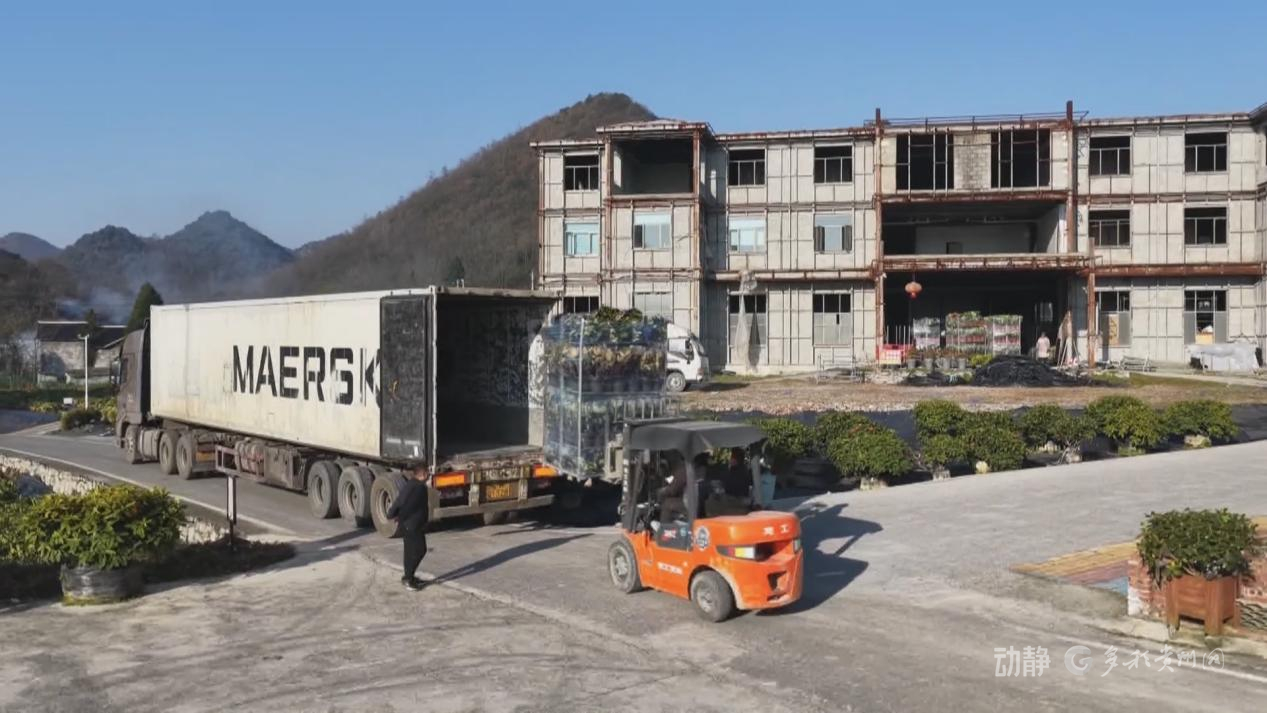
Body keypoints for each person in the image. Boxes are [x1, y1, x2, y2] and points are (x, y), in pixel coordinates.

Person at [387, 466, 431, 591]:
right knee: (420, 550)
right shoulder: (419, 487)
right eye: (427, 473)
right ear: (423, 474)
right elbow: (408, 505)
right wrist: (398, 516)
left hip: (408, 524)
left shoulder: (411, 484)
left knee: (409, 552)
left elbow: (401, 501)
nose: (429, 475)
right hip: (412, 525)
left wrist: (393, 514)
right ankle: (408, 578)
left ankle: (408, 577)